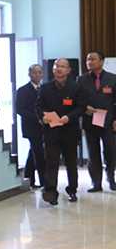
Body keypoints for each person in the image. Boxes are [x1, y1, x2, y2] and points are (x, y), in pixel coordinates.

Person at [36, 58, 86, 205]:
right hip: (51, 132)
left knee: (71, 163)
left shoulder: (76, 87)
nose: (59, 69)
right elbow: (38, 106)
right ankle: (51, 192)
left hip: (69, 131)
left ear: (68, 70)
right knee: (51, 162)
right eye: (57, 66)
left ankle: (72, 190)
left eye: (63, 66)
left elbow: (81, 107)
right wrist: (43, 116)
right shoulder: (45, 87)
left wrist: (68, 117)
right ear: (53, 69)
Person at [76, 51, 116, 192]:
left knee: (111, 151)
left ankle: (111, 178)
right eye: (88, 60)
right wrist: (85, 108)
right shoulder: (81, 79)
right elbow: (77, 100)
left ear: (102, 61)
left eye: (93, 59)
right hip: (89, 121)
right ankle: (96, 183)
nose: (89, 62)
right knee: (93, 153)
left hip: (108, 122)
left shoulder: (113, 79)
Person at [16, 64, 47, 188]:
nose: (37, 75)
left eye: (40, 72)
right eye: (35, 72)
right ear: (29, 74)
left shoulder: (45, 89)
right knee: (39, 153)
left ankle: (29, 178)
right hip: (31, 126)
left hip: (45, 125)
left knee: (34, 151)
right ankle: (44, 182)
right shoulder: (23, 90)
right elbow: (20, 110)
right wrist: (37, 119)